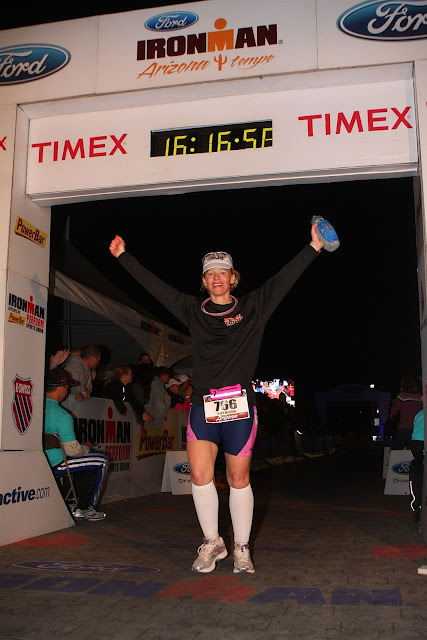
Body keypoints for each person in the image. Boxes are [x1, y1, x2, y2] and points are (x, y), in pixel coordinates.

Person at [109, 223, 324, 574]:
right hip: (203, 407)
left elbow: (283, 280)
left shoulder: (254, 307)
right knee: (199, 474)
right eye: (210, 274)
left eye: (222, 272)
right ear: (204, 281)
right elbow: (157, 288)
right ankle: (213, 542)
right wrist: (123, 257)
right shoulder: (192, 310)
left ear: (233, 277)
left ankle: (242, 548)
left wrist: (312, 247)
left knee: (238, 479)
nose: (217, 278)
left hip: (240, 409)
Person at [44, 368, 109, 521]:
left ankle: (77, 503)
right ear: (61, 387)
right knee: (100, 459)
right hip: (56, 463)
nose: (67, 391)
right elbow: (73, 451)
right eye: (67, 387)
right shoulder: (62, 415)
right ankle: (87, 507)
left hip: (40, 460)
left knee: (84, 461)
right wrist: (86, 447)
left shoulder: (35, 408)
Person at [390, 375, 422, 450]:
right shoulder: (418, 397)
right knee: (412, 452)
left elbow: (393, 412)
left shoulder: (401, 396)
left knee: (395, 451)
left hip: (403, 428)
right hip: (416, 429)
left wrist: (393, 403)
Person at [409, 404, 424, 525]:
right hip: (419, 443)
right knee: (418, 471)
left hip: (418, 443)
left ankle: (418, 508)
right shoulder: (421, 414)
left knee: (417, 470)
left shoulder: (420, 414)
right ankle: (418, 508)